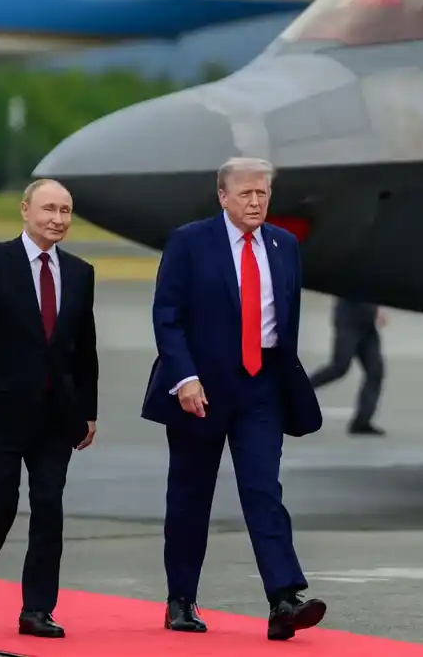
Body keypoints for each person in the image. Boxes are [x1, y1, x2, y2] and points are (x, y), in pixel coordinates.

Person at [142, 156, 326, 641]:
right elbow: (167, 316)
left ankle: (283, 600)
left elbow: (286, 320)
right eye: (245, 193)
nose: (255, 202)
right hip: (200, 387)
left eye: (263, 193)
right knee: (190, 496)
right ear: (222, 196)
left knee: (264, 490)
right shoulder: (189, 242)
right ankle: (180, 599)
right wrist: (184, 378)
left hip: (260, 386)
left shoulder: (284, 245)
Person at [0, 178, 98, 639]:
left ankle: (37, 609)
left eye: (66, 211)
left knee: (49, 508)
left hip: (56, 416)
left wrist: (88, 411)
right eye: (49, 209)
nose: (58, 219)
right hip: (0, 412)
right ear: (25, 210)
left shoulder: (80, 272)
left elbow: (83, 349)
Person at [308, 299, 388, 436]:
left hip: (367, 324)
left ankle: (362, 422)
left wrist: (375, 310)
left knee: (375, 371)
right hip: (349, 321)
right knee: (339, 366)